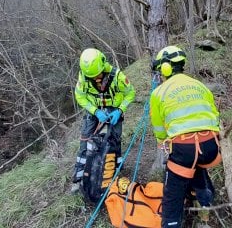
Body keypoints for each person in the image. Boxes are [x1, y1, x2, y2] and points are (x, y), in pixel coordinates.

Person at [149, 46, 222, 227]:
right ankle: (204, 211)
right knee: (197, 165)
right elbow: (214, 115)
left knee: (172, 194)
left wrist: (163, 142)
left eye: (160, 69)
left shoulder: (159, 92)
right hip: (211, 145)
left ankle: (171, 222)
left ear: (165, 67)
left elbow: (159, 129)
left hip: (184, 148)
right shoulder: (200, 85)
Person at [71, 48, 135, 194]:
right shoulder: (84, 77)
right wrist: (95, 111)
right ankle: (78, 178)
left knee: (114, 140)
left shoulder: (117, 76)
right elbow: (80, 96)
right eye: (92, 76)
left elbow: (130, 93)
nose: (95, 79)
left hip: (114, 110)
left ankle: (116, 170)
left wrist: (120, 110)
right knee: (85, 141)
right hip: (94, 110)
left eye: (97, 75)